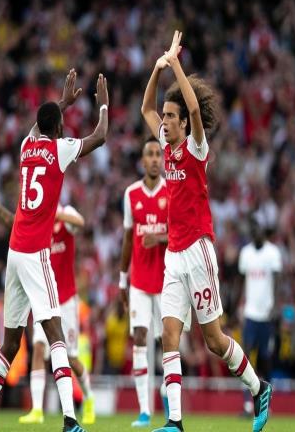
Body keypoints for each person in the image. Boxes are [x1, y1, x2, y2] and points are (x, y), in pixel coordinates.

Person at [0, 68, 109, 432]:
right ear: (59, 128)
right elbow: (100, 136)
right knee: (56, 333)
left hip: (13, 252)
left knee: (11, 343)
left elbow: (39, 125)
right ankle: (70, 419)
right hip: (35, 253)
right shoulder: (60, 149)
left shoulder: (26, 147)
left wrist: (62, 103)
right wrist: (104, 105)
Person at [141, 31, 272, 432]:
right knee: (168, 336)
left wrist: (176, 65)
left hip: (198, 250)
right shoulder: (166, 147)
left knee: (214, 340)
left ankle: (258, 387)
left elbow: (195, 109)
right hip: (174, 255)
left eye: (170, 117)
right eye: (164, 117)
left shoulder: (196, 148)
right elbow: (145, 107)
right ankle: (175, 421)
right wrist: (157, 68)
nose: (164, 122)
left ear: (183, 122)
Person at [0, 184, 95, 425]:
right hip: (43, 296)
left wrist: (57, 214)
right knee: (38, 349)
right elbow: (15, 224)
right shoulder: (39, 220)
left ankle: (89, 398)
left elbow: (81, 222)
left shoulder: (65, 214)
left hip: (66, 300)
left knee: (71, 357)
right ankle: (37, 409)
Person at [119, 137, 169, 427]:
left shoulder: (171, 192)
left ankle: (167, 397)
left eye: (157, 154)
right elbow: (128, 239)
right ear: (142, 160)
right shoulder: (131, 194)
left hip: (166, 283)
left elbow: (181, 234)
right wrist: (121, 280)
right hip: (138, 282)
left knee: (168, 343)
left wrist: (159, 238)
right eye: (149, 154)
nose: (154, 159)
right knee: (139, 338)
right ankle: (144, 411)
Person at [238, 219, 282, 416]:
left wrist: (275, 306)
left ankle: (266, 402)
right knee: (246, 357)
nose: (255, 235)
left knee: (265, 359)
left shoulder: (273, 253)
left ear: (263, 234)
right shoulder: (245, 253)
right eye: (252, 233)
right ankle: (248, 404)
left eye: (258, 232)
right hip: (250, 313)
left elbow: (278, 281)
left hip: (266, 314)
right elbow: (241, 281)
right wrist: (238, 305)